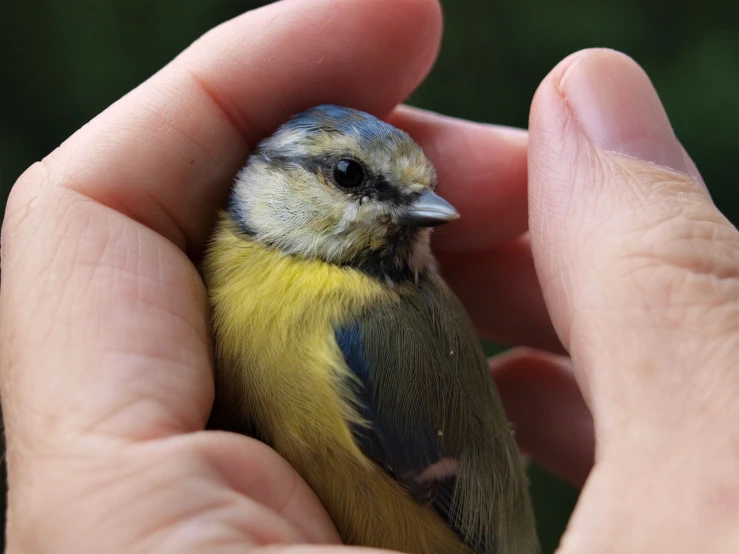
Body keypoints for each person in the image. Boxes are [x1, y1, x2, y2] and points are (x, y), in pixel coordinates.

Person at [0, 0, 736, 552]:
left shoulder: (370, 329)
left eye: (412, 196)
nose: (404, 213)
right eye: (350, 178)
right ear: (271, 178)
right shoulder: (218, 259)